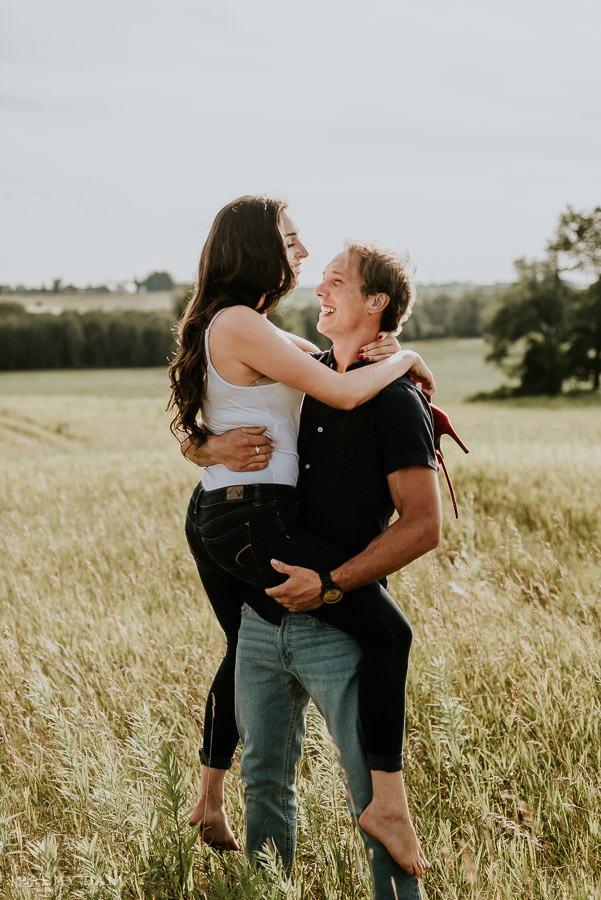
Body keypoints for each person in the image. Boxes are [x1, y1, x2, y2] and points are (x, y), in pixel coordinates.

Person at [168, 196, 435, 876]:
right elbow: (341, 390)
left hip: (225, 514)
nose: (302, 256)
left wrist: (391, 352)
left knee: (241, 644)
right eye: (289, 241)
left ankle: (208, 796)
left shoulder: (245, 325)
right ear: (255, 246)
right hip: (248, 515)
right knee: (390, 633)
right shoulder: (239, 322)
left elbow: (328, 363)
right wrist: (406, 363)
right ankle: (386, 805)